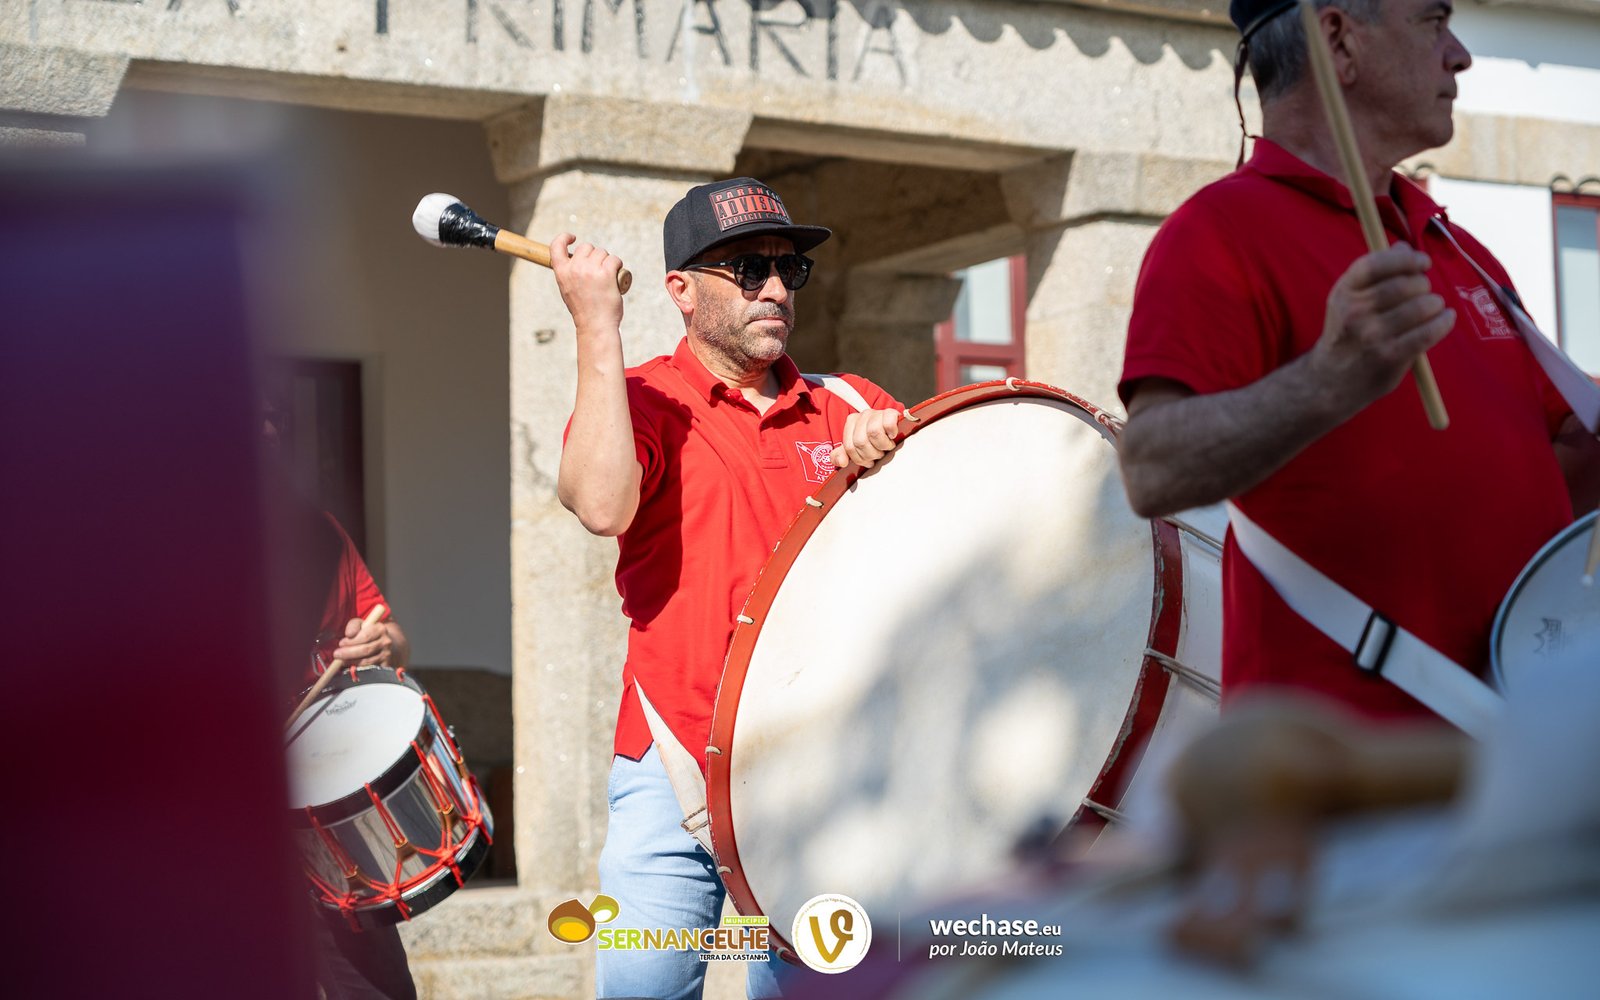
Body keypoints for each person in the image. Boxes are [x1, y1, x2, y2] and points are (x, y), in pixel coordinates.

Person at [1116, 0, 1600, 722]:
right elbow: (1153, 467)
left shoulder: (1457, 246)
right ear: (1339, 38)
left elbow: (1549, 477)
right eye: (1433, 21)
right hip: (1333, 778)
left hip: (1504, 751)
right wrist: (1329, 379)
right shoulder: (1217, 233)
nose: (1459, 54)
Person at [552, 177, 904, 999]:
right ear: (680, 289)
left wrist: (892, 452)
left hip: (824, 763)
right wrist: (596, 326)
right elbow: (601, 505)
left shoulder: (851, 404)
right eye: (749, 269)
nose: (777, 289)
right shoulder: (640, 399)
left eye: (789, 270)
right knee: (643, 989)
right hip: (673, 766)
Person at [262, 390, 416, 1000]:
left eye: (271, 419)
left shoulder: (319, 538)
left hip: (326, 811)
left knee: (376, 989)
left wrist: (382, 646)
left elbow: (392, 635)